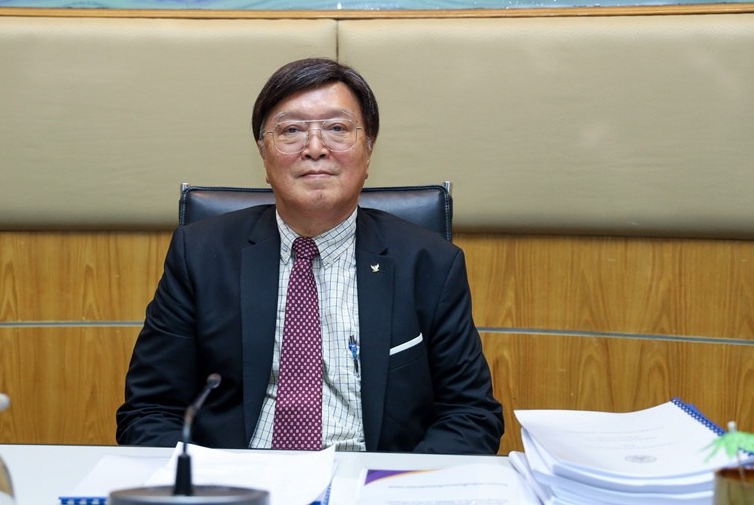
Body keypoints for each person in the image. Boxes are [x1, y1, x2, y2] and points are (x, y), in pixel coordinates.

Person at [116, 57, 503, 454]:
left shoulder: (430, 263)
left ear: (368, 150)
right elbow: (150, 410)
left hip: (369, 478)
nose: (315, 149)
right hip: (236, 478)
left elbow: (470, 414)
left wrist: (397, 482)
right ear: (263, 154)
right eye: (292, 131)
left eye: (337, 129)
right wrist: (205, 482)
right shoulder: (199, 255)